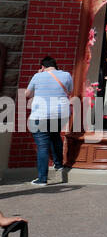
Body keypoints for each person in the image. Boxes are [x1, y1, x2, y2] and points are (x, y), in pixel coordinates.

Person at [25, 56, 72, 186]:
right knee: (55, 136)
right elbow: (69, 90)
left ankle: (42, 179)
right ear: (55, 66)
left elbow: (27, 94)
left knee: (42, 147)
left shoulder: (37, 76)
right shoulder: (66, 75)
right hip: (60, 114)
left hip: (41, 115)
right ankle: (59, 165)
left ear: (43, 67)